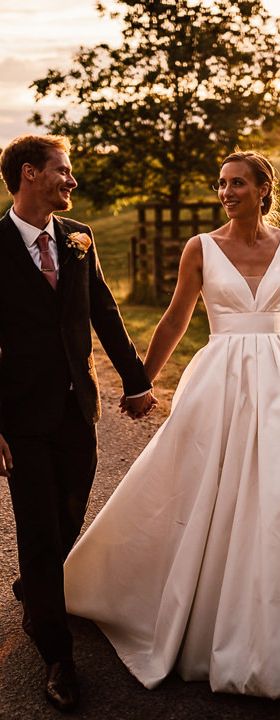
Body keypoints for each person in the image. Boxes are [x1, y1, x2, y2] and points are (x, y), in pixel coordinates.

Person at [64, 150, 280, 698]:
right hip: (219, 377)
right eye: (221, 184)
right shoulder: (201, 248)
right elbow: (176, 316)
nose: (227, 192)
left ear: (264, 190)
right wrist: (143, 382)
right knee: (196, 482)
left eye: (238, 183)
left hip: (278, 378)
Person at [0, 134, 156, 712]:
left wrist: (136, 380)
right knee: (40, 530)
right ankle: (57, 655)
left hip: (77, 411)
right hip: (20, 419)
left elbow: (105, 311)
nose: (71, 181)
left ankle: (36, 590)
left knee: (69, 516)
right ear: (29, 173)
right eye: (62, 171)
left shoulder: (78, 238)